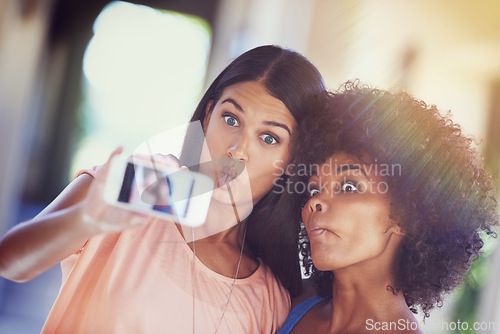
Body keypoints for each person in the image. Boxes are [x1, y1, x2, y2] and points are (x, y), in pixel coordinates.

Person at [0, 45, 325, 333]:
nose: (238, 151)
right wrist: (87, 219)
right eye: (230, 119)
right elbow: (10, 262)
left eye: (269, 138)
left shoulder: (270, 300)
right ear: (208, 116)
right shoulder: (130, 190)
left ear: (292, 162)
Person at [278, 81, 498, 333]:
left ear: (406, 214)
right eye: (315, 189)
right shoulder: (288, 303)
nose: (314, 202)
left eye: (348, 186)